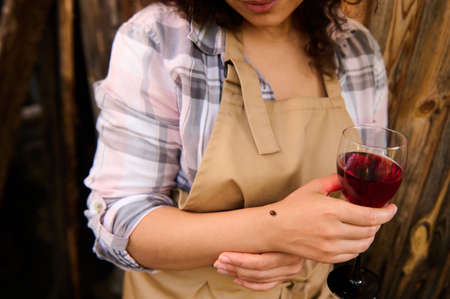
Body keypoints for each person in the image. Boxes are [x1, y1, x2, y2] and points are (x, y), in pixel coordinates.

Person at [84, 0, 397, 298]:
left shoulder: (355, 49)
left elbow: (363, 185)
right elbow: (119, 220)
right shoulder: (161, 39)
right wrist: (271, 230)